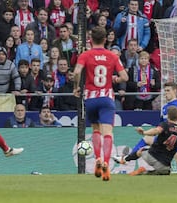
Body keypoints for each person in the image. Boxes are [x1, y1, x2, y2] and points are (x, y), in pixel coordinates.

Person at [73, 26, 129, 181]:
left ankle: (97, 158)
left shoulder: (85, 55)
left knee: (95, 129)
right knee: (108, 133)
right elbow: (124, 76)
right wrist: (116, 79)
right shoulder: (112, 56)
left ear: (90, 40)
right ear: (105, 39)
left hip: (90, 98)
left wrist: (76, 87)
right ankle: (105, 162)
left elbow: (77, 72)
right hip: (106, 98)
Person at [130, 106, 177, 176]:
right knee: (163, 171)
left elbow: (156, 130)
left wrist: (144, 132)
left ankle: (126, 159)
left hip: (151, 157)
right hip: (165, 167)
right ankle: (145, 172)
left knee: (141, 150)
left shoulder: (165, 125)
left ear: (168, 116)